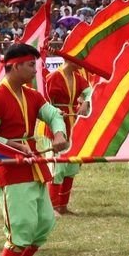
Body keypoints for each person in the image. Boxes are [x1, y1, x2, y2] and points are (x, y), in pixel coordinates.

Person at [0, 43, 68, 256]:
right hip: (11, 168)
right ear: (15, 66)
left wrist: (59, 133)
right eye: (30, 65)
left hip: (34, 166)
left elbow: (53, 115)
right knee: (22, 225)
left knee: (44, 223)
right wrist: (11, 144)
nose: (34, 71)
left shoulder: (32, 95)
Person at [44, 56, 91, 216]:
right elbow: (44, 102)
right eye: (79, 58)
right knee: (58, 165)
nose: (83, 62)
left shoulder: (78, 78)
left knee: (72, 164)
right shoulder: (53, 77)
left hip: (73, 125)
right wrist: (55, 112)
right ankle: (52, 206)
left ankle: (63, 205)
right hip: (57, 126)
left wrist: (85, 102)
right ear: (69, 59)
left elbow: (90, 91)